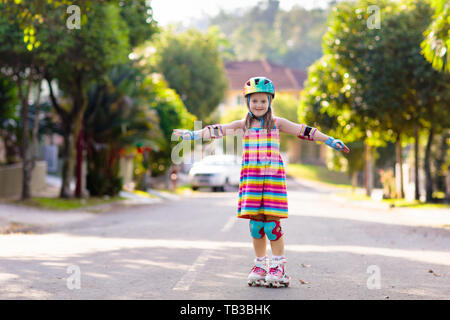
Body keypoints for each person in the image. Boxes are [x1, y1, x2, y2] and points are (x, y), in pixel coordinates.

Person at [173, 76, 350, 288]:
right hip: (252, 179)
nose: (259, 105)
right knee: (256, 226)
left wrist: (330, 140)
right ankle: (260, 265)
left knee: (272, 225)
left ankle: (278, 267)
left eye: (263, 101)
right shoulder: (243, 124)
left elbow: (304, 131)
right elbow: (217, 130)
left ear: (270, 102)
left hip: (273, 179)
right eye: (254, 101)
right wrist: (192, 134)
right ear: (248, 102)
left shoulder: (277, 123)